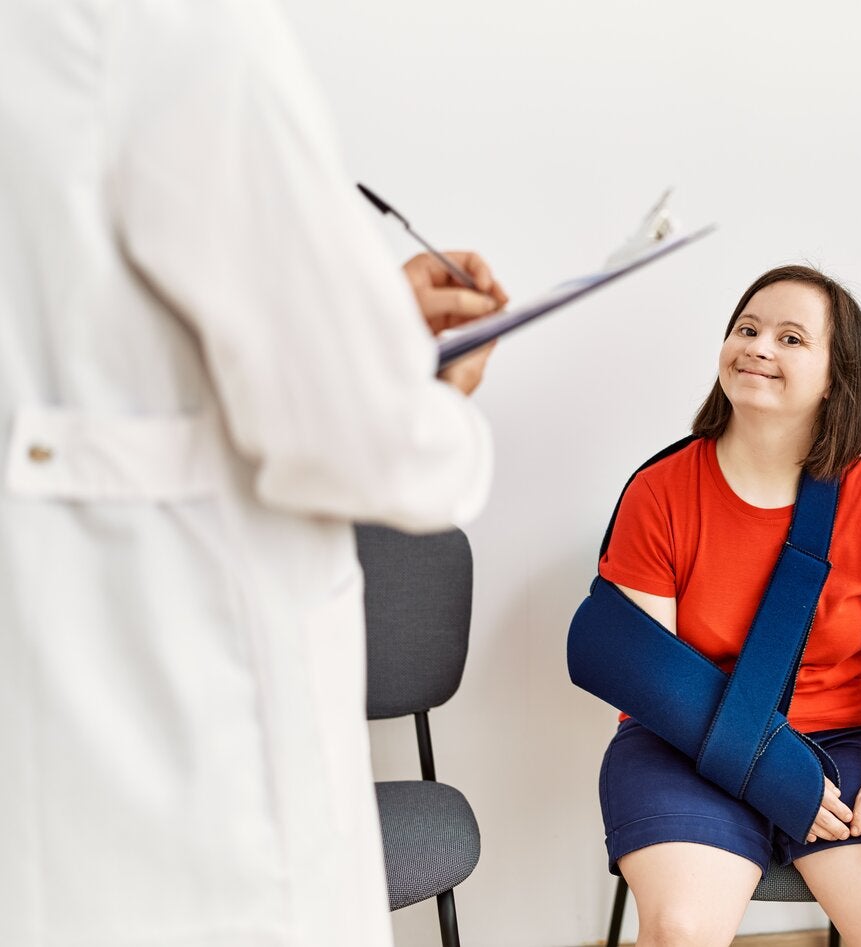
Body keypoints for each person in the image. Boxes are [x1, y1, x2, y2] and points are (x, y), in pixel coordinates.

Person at [0, 3, 504, 945]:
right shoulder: (175, 29)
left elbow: (117, 355)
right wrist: (436, 398)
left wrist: (362, 324)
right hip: (193, 727)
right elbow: (355, 436)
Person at [597, 265, 861, 946]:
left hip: (844, 746)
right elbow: (652, 676)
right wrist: (772, 772)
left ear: (836, 378)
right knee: (680, 929)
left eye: (791, 338)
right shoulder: (660, 491)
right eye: (747, 329)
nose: (758, 346)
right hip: (683, 741)